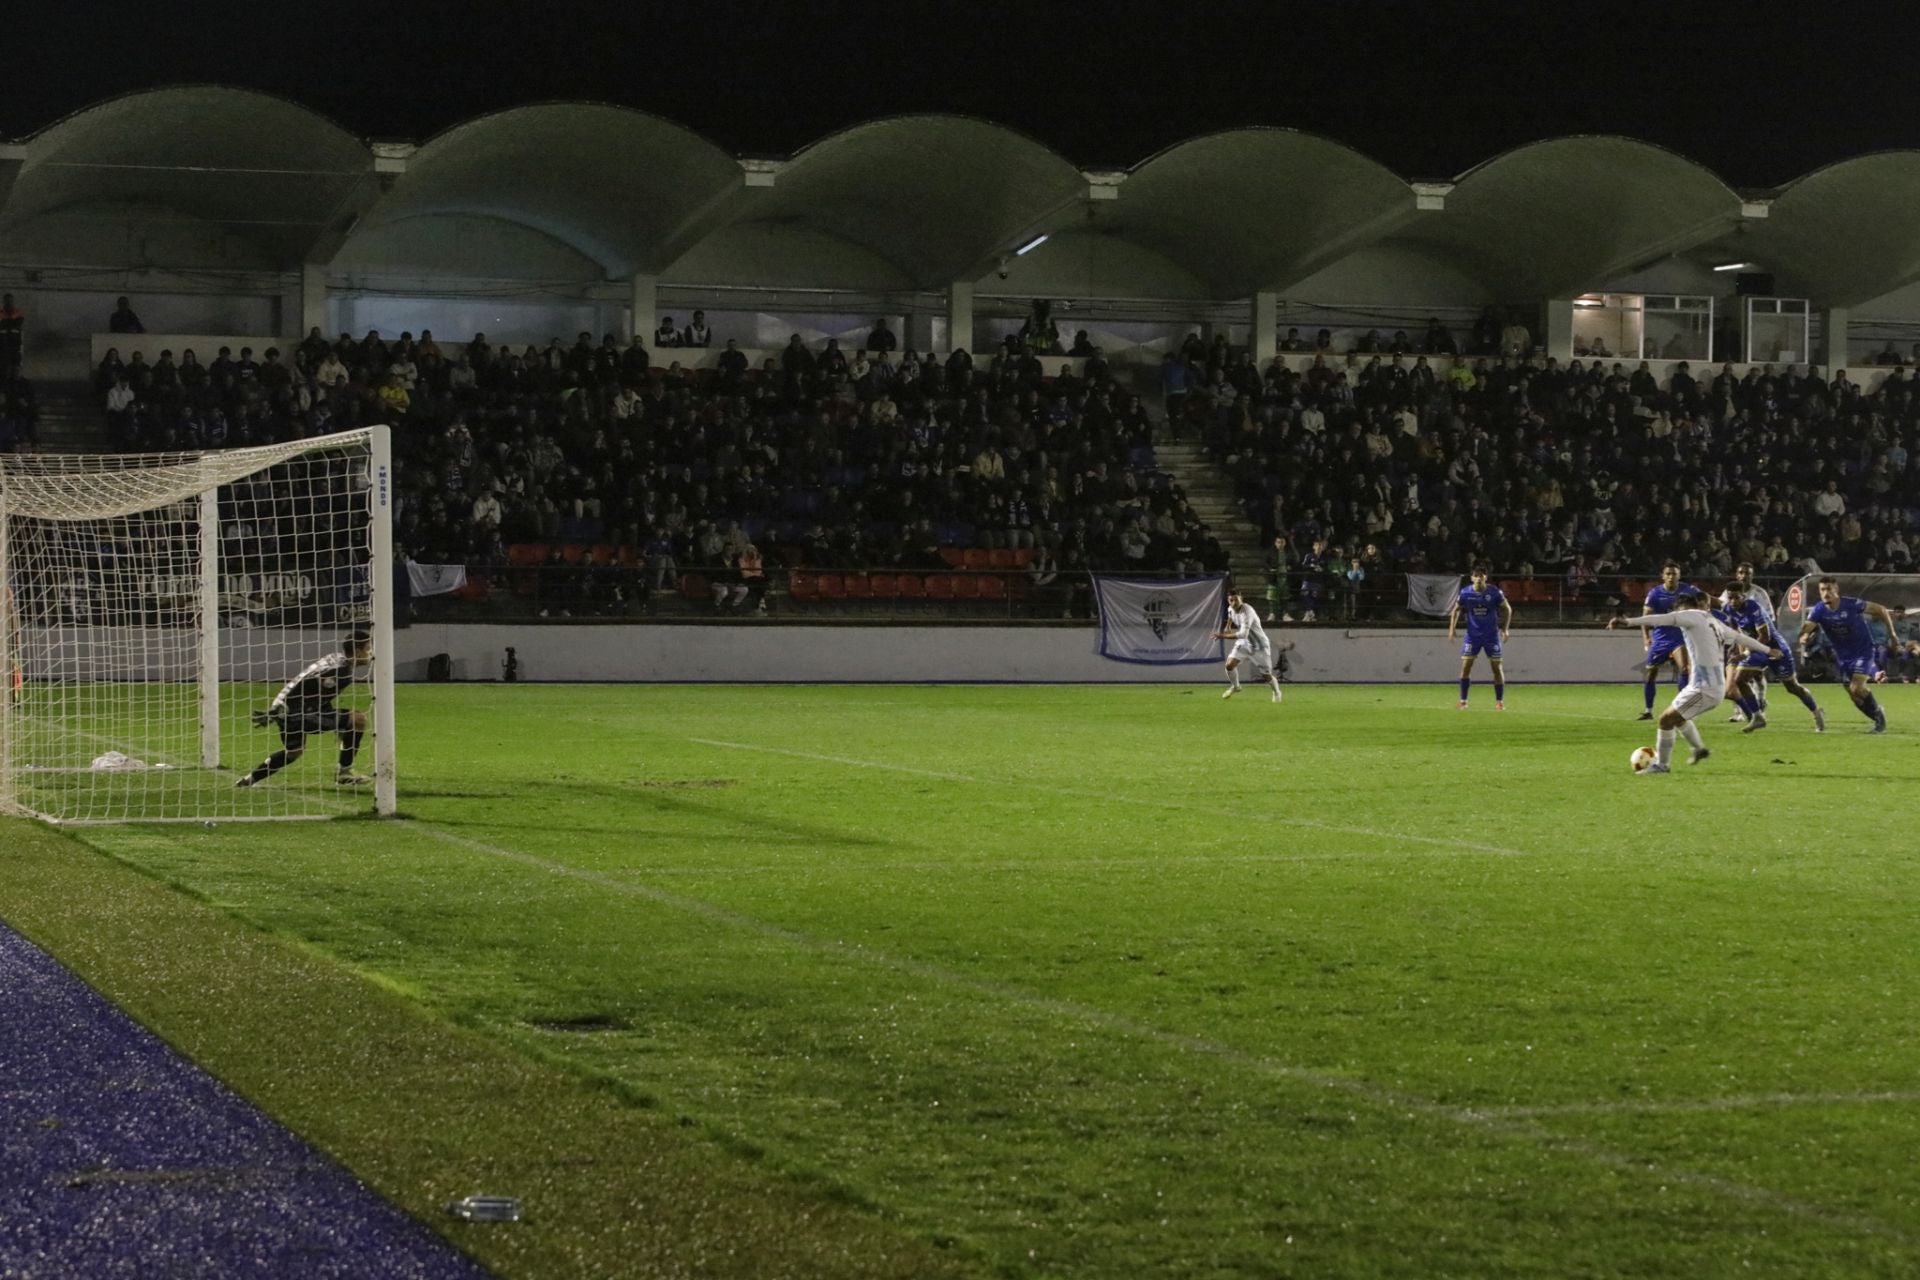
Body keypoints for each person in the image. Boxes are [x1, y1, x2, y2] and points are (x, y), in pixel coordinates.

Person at [1608, 591, 1779, 774]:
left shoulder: (1691, 615)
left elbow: (1663, 618)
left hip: (1704, 689)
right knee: (1679, 719)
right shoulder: (1714, 622)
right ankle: (1699, 749)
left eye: (1679, 612)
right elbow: (1740, 638)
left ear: (1684, 608)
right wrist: (1768, 650)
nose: (1679, 617)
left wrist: (1628, 622)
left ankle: (1662, 766)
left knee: (1665, 720)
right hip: (1707, 686)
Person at [236, 628, 373, 788]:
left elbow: (314, 690)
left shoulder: (335, 658)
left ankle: (248, 780)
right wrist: (276, 712)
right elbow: (306, 684)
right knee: (357, 720)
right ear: (357, 651)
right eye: (367, 649)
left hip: (286, 706)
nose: (370, 653)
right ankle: (343, 773)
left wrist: (277, 709)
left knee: (294, 752)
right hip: (298, 712)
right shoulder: (341, 671)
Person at [1798, 577, 1901, 732]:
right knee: (1854, 696)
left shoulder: (1851, 604)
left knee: (1857, 688)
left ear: (1836, 589)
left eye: (1829, 589)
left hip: (1863, 650)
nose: (1826, 593)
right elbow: (1807, 628)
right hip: (1843, 656)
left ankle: (1880, 721)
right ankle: (1877, 716)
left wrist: (1892, 635)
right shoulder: (1818, 610)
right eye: (1822, 590)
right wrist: (1804, 637)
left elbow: (1881, 610)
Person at [1722, 580, 1824, 733]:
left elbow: (1764, 636)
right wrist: (1736, 647)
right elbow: (1737, 631)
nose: (1733, 601)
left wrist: (1744, 654)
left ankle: (1817, 713)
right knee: (1740, 680)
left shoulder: (1754, 608)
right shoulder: (1729, 609)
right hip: (1757, 649)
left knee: (1792, 687)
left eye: (1736, 597)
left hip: (1775, 649)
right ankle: (1758, 717)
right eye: (1730, 598)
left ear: (1743, 596)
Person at [1638, 561, 1697, 720]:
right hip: (1660, 638)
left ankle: (1681, 709)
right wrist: (1646, 638)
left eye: (1674, 574)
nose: (1671, 577)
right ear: (1663, 576)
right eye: (1668, 574)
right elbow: (1646, 617)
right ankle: (1648, 709)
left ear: (1679, 576)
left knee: (1684, 669)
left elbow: (1704, 601)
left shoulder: (1688, 590)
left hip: (1680, 637)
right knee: (1651, 673)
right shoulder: (1655, 593)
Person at [1448, 564, 1512, 709]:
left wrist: (1505, 629)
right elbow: (1456, 610)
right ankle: (1463, 701)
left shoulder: (1494, 592)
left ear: (1486, 578)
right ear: (1471, 578)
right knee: (1465, 667)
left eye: (1481, 575)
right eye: (1476, 575)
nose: (1479, 578)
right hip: (1472, 636)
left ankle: (1499, 702)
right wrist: (1452, 628)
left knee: (1497, 668)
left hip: (1491, 636)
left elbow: (1507, 608)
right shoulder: (1465, 593)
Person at [1212, 590, 1283, 702]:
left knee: (1266, 676)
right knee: (1229, 665)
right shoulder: (1230, 608)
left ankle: (1277, 692)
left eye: (1236, 599)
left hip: (1259, 646)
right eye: (1231, 600)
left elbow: (1242, 634)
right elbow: (1231, 614)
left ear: (1242, 599)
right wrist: (1228, 625)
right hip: (1245, 643)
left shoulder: (1247, 612)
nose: (1234, 602)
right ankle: (1236, 687)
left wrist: (1222, 636)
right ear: (1228, 601)